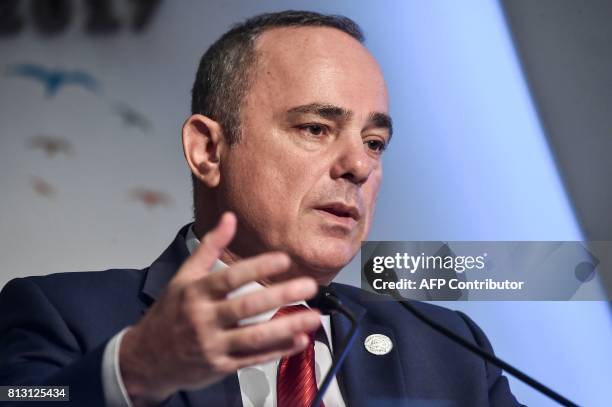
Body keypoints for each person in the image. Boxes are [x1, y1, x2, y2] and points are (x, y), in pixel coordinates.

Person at [0, 10, 521, 407]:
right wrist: (133, 370)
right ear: (207, 150)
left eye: (375, 142)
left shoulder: (450, 349)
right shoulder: (61, 313)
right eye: (315, 128)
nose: (359, 166)